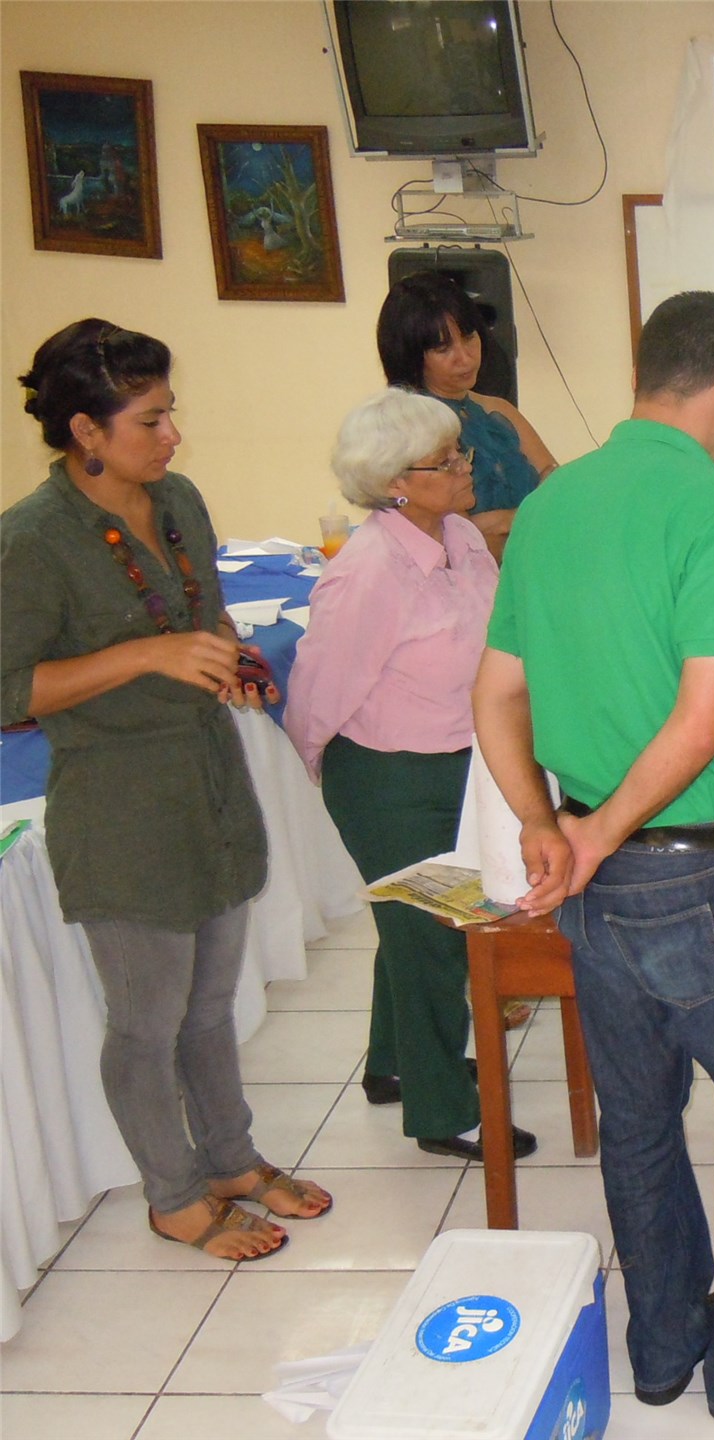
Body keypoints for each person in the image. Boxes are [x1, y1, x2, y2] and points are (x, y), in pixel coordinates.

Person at [471, 290, 714, 1425]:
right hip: (694, 873)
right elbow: (703, 722)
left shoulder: (552, 503)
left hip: (593, 883)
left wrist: (552, 827)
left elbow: (494, 693)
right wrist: (592, 836)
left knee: (639, 1125)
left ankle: (660, 1351)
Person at [2, 319, 332, 1261]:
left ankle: (231, 1160)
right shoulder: (31, 540)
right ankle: (172, 1194)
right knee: (145, 1025)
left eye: (170, 413)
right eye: (149, 420)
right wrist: (144, 654)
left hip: (209, 787)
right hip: (121, 808)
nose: (172, 435)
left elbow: (202, 608)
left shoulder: (176, 497)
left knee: (209, 1006)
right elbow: (6, 688)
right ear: (85, 432)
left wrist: (229, 658)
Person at [284, 387, 535, 1164]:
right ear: (397, 482)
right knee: (433, 936)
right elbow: (317, 693)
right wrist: (328, 783)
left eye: (458, 451)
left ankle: (392, 1063)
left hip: (458, 761)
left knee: (410, 924)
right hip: (388, 775)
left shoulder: (457, 535)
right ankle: (443, 1110)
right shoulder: (368, 572)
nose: (466, 468)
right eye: (448, 460)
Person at [376, 271, 557, 560]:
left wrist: (503, 520)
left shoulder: (499, 410)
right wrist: (530, 516)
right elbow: (464, 541)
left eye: (470, 337)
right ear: (410, 354)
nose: (465, 357)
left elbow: (560, 492)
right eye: (443, 348)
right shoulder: (409, 431)